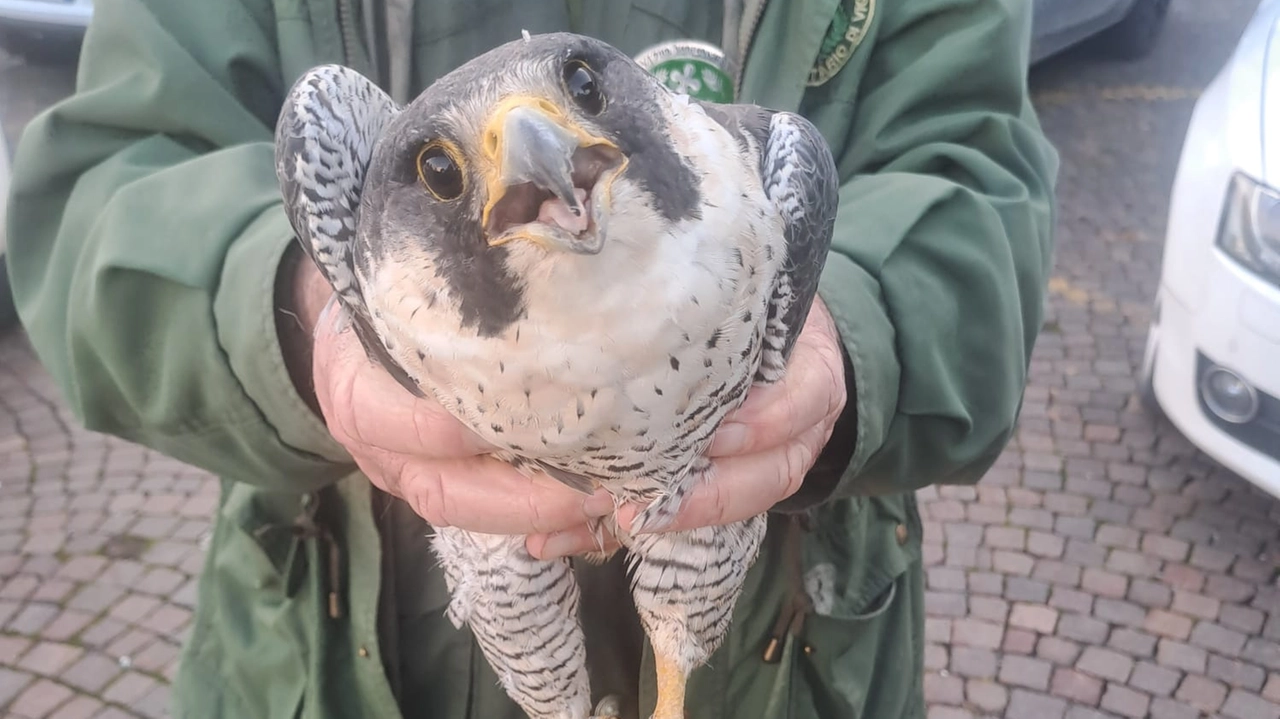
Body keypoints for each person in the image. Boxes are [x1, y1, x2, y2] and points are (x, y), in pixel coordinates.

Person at [5, 1, 1058, 717]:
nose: (533, 147)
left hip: (785, 643)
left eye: (576, 100)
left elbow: (972, 174)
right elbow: (103, 192)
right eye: (450, 165)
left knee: (681, 618)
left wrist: (843, 324)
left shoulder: (741, 171)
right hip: (340, 650)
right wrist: (297, 311)